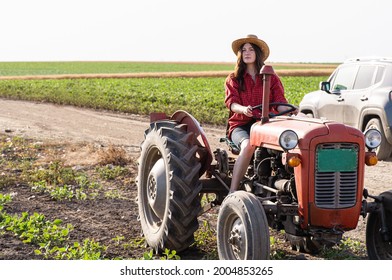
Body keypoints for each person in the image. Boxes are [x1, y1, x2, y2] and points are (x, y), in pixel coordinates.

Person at [224, 34, 291, 193]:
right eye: (244, 50)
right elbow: (231, 103)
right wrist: (243, 109)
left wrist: (293, 112)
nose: (247, 52)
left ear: (258, 53)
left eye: (251, 49)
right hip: (241, 125)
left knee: (289, 145)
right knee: (248, 145)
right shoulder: (234, 78)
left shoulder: (271, 78)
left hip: (265, 124)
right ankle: (232, 191)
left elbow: (280, 103)